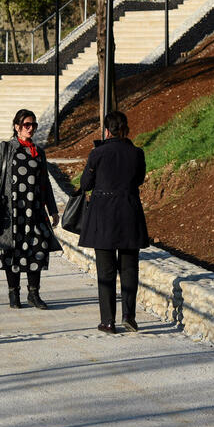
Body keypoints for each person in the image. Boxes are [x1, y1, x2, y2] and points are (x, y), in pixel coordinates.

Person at [77, 110, 149, 334]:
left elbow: (86, 184)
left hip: (103, 217)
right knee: (129, 268)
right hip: (129, 214)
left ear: (107, 131)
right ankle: (129, 315)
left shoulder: (98, 153)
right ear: (125, 129)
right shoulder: (137, 153)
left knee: (105, 271)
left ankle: (108, 321)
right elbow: (138, 180)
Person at [0, 109, 62, 310]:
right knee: (11, 251)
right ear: (16, 127)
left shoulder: (39, 152)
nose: (31, 128)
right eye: (27, 125)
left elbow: (44, 182)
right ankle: (14, 294)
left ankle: (34, 294)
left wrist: (52, 210)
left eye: (33, 125)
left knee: (37, 249)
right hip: (12, 210)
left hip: (34, 210)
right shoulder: (5, 148)